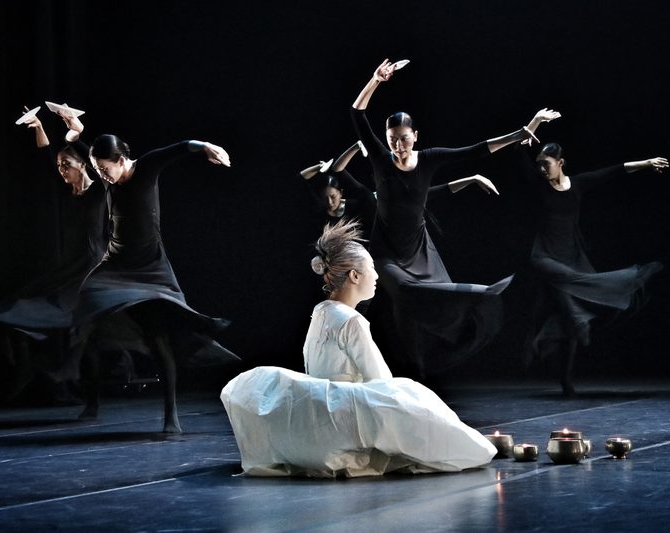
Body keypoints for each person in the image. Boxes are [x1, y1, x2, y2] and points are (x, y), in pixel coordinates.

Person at [220, 219, 497, 477]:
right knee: (411, 396)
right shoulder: (352, 320)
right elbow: (381, 382)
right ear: (354, 275)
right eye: (372, 269)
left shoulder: (321, 311)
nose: (376, 276)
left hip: (318, 415)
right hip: (339, 420)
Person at [349, 58, 557, 378]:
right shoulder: (380, 157)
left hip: (419, 248)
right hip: (387, 250)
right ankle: (477, 292)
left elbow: (477, 149)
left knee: (413, 311)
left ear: (415, 135)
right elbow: (357, 113)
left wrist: (525, 131)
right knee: (403, 290)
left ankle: (418, 368)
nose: (399, 145)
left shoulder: (430, 159)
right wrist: (376, 79)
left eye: (404, 138)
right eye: (393, 139)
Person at [70, 133, 239, 433]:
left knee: (158, 336)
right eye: (98, 171)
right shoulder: (109, 175)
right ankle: (92, 402)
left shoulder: (145, 168)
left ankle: (171, 416)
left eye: (105, 170)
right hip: (116, 265)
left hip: (150, 269)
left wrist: (208, 147)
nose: (102, 176)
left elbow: (176, 148)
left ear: (121, 161)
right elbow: (88, 155)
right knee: (88, 309)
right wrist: (76, 134)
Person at [0, 107, 109, 401]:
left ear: (82, 165)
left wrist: (76, 133)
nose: (61, 170)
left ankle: (81, 387)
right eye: (60, 166)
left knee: (85, 334)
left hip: (90, 267)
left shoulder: (98, 192)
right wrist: (37, 125)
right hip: (68, 265)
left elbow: (88, 158)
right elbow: (45, 156)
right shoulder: (66, 192)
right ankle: (34, 366)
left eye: (67, 164)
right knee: (18, 307)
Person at [521, 141, 668, 396]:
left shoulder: (577, 185)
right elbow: (517, 155)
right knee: (573, 313)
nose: (542, 170)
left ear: (560, 163)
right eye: (539, 165)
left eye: (546, 164)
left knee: (569, 323)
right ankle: (629, 279)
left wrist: (646, 163)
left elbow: (613, 171)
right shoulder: (540, 187)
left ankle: (563, 377)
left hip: (571, 258)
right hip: (545, 258)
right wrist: (532, 126)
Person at [300, 141, 377, 238]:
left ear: (340, 193)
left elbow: (337, 169)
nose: (330, 202)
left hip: (365, 246)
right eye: (324, 198)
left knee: (367, 196)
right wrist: (319, 167)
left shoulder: (354, 205)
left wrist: (356, 146)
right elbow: (301, 178)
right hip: (334, 250)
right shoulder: (320, 214)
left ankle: (357, 145)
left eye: (333, 197)